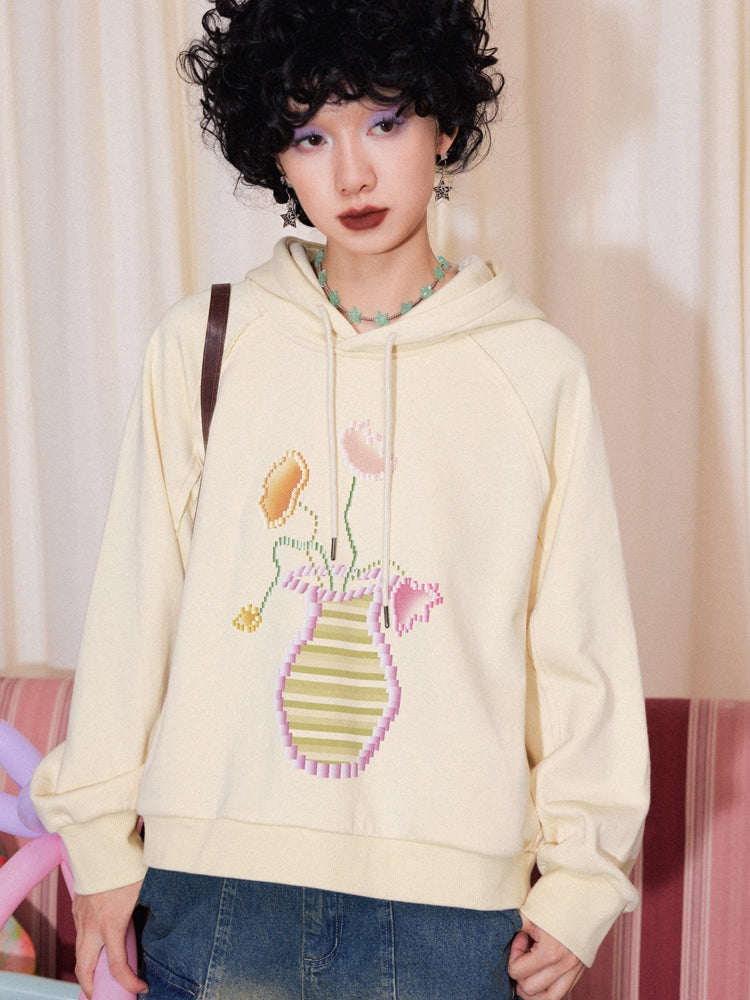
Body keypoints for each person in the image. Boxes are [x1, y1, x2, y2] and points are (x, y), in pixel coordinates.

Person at [31, 1, 650, 998]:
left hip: (449, 917)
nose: (352, 175)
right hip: (221, 892)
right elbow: (134, 607)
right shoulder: (204, 346)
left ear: (445, 122)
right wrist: (99, 844)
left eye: (385, 121)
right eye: (311, 136)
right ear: (276, 153)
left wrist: (583, 880)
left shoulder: (536, 372)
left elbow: (577, 646)